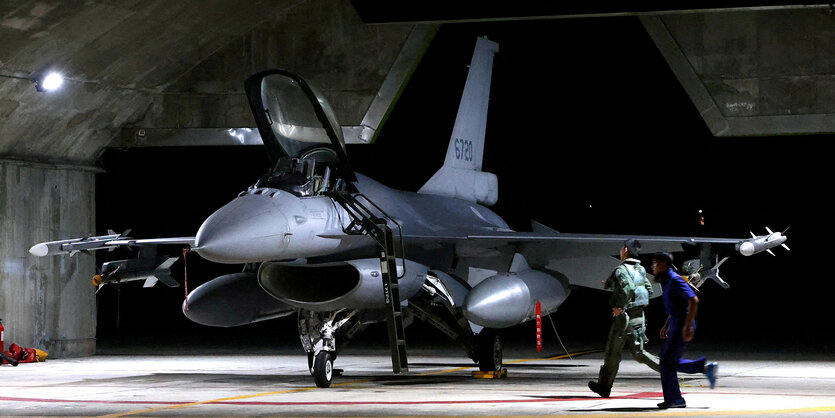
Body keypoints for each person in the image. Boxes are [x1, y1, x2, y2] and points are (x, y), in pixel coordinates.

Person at [588, 239, 660, 398]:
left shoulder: (621, 270)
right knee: (639, 353)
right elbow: (649, 290)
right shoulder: (640, 269)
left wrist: (619, 307)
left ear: (626, 250)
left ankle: (603, 387)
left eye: (621, 248)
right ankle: (667, 369)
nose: (620, 251)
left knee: (612, 353)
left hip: (624, 318)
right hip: (638, 316)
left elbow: (627, 289)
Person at [652, 251, 718, 409]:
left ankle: (675, 399)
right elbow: (677, 304)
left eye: (655, 263)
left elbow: (693, 300)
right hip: (676, 323)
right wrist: (667, 324)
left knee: (666, 362)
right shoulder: (667, 281)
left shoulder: (675, 280)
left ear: (663, 264)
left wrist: (688, 325)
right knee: (668, 362)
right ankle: (704, 369)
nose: (653, 266)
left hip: (682, 324)